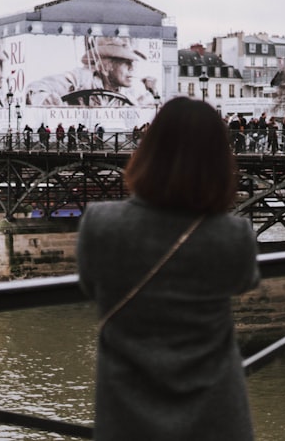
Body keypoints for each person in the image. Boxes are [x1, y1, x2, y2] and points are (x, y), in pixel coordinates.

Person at [77, 97, 259, 441]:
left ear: (147, 152)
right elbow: (244, 280)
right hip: (215, 415)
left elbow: (90, 285)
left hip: (127, 414)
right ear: (220, 162)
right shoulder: (234, 235)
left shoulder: (99, 224)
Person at [25, 36, 157, 106]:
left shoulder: (131, 93)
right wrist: (45, 99)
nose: (132, 68)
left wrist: (154, 95)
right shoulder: (78, 79)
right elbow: (36, 88)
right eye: (126, 62)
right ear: (107, 66)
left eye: (132, 62)